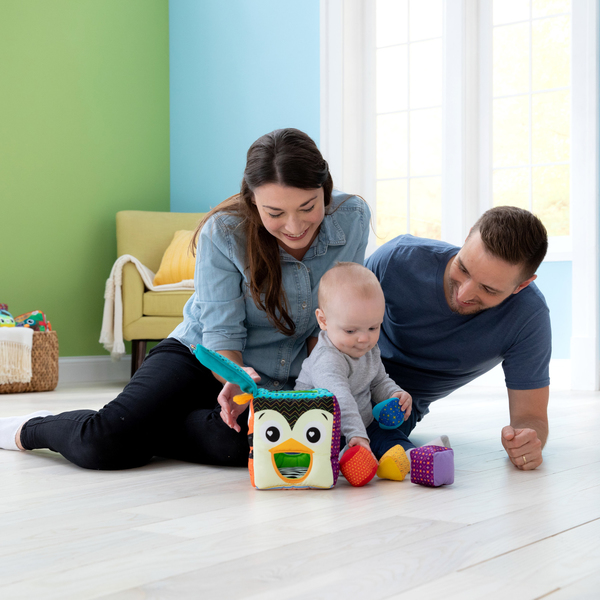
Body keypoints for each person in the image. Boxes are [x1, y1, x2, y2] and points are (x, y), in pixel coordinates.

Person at [0, 128, 370, 470]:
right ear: (252, 201)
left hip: (286, 374)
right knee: (104, 443)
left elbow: (332, 319)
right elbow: (221, 335)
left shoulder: (351, 217)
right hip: (203, 355)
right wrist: (236, 378)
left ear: (325, 188)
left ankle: (149, 425)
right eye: (275, 213)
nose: (294, 225)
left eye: (308, 207)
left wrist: (323, 389)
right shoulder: (224, 233)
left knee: (247, 448)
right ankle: (28, 428)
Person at [365, 206, 550, 471]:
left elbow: (531, 418)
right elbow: (330, 325)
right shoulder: (395, 259)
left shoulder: (528, 319)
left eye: (488, 289)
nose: (464, 294)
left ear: (522, 285)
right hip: (347, 373)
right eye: (462, 268)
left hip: (398, 405)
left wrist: (528, 440)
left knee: (376, 435)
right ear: (465, 242)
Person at [294, 262, 414, 480]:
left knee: (392, 436)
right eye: (351, 330)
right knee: (322, 448)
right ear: (323, 320)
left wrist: (394, 393)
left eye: (373, 327)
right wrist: (356, 435)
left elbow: (378, 381)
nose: (364, 338)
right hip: (324, 429)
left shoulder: (368, 349)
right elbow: (339, 399)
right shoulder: (326, 358)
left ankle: (409, 457)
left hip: (362, 424)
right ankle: (354, 462)